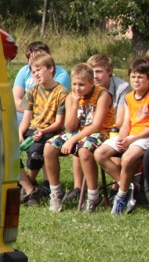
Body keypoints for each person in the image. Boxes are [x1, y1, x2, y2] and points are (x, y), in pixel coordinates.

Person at [42, 63, 113, 212]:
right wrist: (74, 105)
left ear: (91, 83)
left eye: (81, 85)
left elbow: (96, 125)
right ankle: (56, 193)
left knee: (84, 149)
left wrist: (72, 140)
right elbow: (70, 128)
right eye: (74, 84)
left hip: (100, 132)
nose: (77, 88)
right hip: (77, 132)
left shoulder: (102, 95)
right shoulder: (71, 97)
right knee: (49, 147)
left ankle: (94, 196)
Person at [95, 57, 149, 215]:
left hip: (144, 137)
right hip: (130, 135)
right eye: (133, 76)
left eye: (140, 77)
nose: (136, 80)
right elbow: (126, 122)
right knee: (99, 153)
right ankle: (127, 186)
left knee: (127, 158)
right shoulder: (129, 97)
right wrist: (122, 138)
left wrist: (133, 139)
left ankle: (121, 196)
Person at [18, 52, 68, 206]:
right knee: (7, 153)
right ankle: (29, 189)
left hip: (50, 131)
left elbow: (59, 123)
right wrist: (20, 132)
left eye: (39, 70)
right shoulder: (32, 92)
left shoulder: (61, 92)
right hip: (32, 130)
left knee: (35, 153)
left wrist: (43, 132)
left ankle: (30, 188)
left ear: (51, 69)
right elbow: (26, 118)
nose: (35, 74)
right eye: (33, 72)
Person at [13, 41, 71, 113]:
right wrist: (30, 111)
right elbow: (15, 99)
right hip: (24, 112)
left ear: (49, 55)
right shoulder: (24, 71)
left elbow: (51, 102)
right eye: (34, 58)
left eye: (41, 57)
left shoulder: (61, 74)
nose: (37, 61)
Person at [88, 53, 130, 121]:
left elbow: (120, 121)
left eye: (99, 71)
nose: (95, 76)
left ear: (109, 71)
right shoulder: (86, 85)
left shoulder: (122, 87)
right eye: (91, 72)